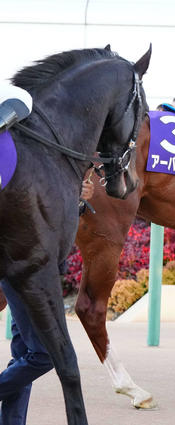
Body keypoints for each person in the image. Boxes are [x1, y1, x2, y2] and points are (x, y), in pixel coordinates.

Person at [0, 178, 93, 425]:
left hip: (40, 274)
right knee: (44, 354)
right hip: (24, 274)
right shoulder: (26, 169)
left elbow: (56, 224)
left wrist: (77, 201)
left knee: (24, 354)